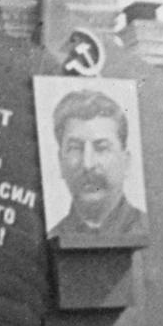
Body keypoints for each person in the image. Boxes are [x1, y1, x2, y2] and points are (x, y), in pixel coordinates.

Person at [48, 87, 146, 241]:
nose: (88, 164)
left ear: (126, 162)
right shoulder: (50, 239)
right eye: (75, 148)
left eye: (101, 148)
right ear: (60, 162)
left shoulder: (149, 229)